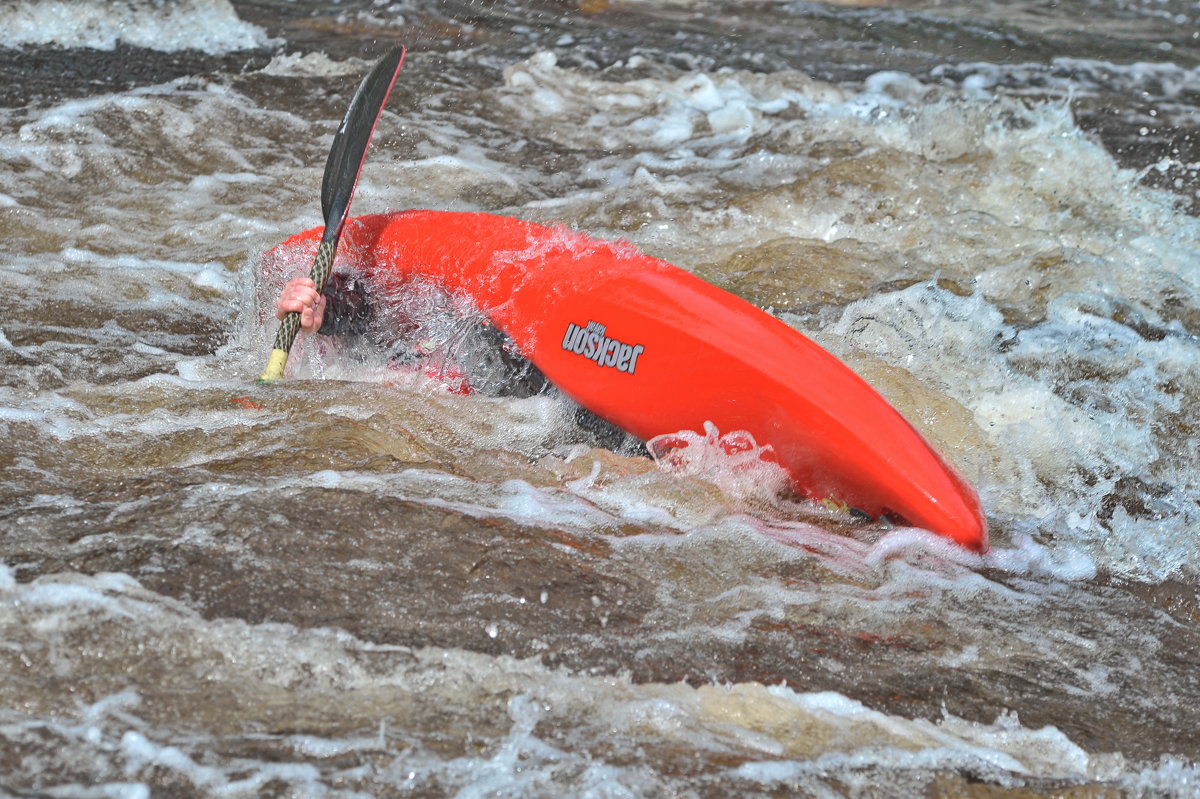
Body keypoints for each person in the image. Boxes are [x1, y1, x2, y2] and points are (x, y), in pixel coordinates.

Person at [274, 272, 644, 452]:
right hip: (497, 421)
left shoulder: (468, 338)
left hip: (521, 391)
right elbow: (374, 302)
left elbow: (379, 299)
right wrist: (324, 308)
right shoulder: (392, 367)